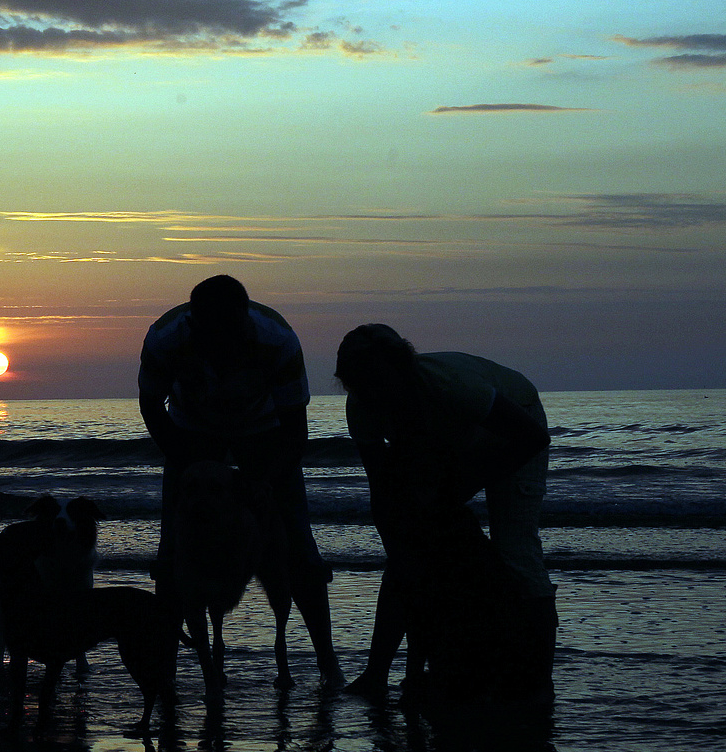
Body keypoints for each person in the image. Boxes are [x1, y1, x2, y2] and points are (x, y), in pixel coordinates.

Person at [139, 275, 344, 687]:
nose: (219, 345)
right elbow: (151, 407)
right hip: (192, 430)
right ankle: (164, 671)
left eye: (227, 334)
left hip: (265, 429)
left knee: (298, 548)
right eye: (208, 335)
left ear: (244, 321)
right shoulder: (165, 338)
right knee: (173, 554)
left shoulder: (278, 340)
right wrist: (187, 464)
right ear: (193, 325)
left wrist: (263, 481)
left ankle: (328, 664)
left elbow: (295, 434)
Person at [334, 324, 555, 699]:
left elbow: (532, 438)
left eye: (377, 384)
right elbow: (382, 490)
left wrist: (460, 486)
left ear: (401, 371)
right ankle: (377, 675)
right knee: (405, 557)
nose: (371, 396)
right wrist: (399, 545)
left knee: (516, 551)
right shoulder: (361, 404)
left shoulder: (451, 386)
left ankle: (540, 683)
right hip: (451, 435)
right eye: (359, 387)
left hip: (517, 419)